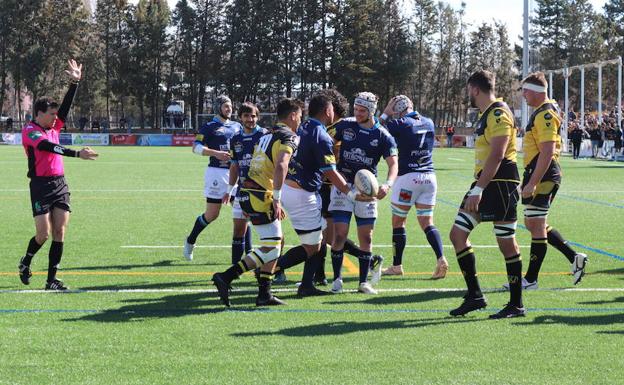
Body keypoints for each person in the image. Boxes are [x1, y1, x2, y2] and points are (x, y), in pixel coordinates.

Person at [278, 90, 374, 296]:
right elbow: (330, 171)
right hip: (302, 194)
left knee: (319, 237)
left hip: (292, 188)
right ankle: (268, 269)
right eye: (331, 108)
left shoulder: (304, 126)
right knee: (312, 244)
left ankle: (307, 284)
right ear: (327, 110)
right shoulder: (321, 135)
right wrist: (351, 193)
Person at [212, 98, 303, 307]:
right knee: (272, 248)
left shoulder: (268, 135)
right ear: (292, 116)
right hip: (261, 195)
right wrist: (277, 198)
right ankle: (226, 277)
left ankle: (264, 293)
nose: (300, 120)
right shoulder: (289, 136)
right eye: (299, 115)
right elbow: (281, 165)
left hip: (250, 192)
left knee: (274, 243)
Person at [449, 70, 525, 319]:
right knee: (457, 234)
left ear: (474, 89)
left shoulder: (499, 112)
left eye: (468, 90)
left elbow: (498, 153)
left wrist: (479, 189)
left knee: (506, 242)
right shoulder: (486, 114)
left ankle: (516, 304)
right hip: (486, 181)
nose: (468, 94)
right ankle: (475, 295)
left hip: (501, 182)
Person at [18, 59, 98, 290]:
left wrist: (75, 82)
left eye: (55, 114)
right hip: (40, 186)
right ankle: (26, 261)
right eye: (51, 114)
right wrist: (76, 154)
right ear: (39, 113)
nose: (56, 118)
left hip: (59, 183)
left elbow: (65, 107)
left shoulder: (53, 125)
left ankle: (51, 280)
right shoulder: (30, 131)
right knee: (43, 234)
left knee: (60, 230)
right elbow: (47, 147)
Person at [505, 72, 588, 292]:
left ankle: (531, 279)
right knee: (534, 223)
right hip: (539, 173)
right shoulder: (543, 112)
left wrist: (533, 181)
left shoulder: (545, 114)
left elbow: (548, 151)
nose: (523, 95)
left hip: (544, 175)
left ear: (535, 91)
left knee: (536, 226)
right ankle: (574, 257)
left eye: (525, 91)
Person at [328, 92, 398, 295]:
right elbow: (325, 138)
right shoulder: (345, 126)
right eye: (356, 109)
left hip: (368, 191)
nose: (357, 114)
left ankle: (363, 282)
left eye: (362, 110)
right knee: (339, 234)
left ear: (371, 111)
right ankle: (337, 279)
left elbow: (393, 164)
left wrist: (388, 184)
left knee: (366, 238)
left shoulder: (382, 135)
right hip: (343, 186)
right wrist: (332, 157)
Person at [379, 95, 449, 279]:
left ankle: (397, 265)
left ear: (398, 110)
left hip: (408, 177)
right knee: (427, 223)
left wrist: (387, 112)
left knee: (398, 222)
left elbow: (378, 127)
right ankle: (441, 258)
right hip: (429, 177)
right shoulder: (429, 122)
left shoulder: (401, 123)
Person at [183, 96, 241, 261]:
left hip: (236, 173)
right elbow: (195, 148)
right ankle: (190, 240)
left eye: (230, 106)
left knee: (242, 213)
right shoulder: (209, 127)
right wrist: (215, 153)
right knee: (212, 215)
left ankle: (246, 253)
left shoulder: (237, 126)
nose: (229, 109)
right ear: (218, 108)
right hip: (216, 173)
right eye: (225, 106)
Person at [222, 102, 264, 266]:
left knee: (271, 234)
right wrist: (229, 190)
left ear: (257, 117)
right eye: (246, 116)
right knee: (238, 231)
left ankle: (278, 270)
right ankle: (233, 271)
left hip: (262, 192)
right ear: (240, 118)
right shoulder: (235, 139)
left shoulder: (264, 136)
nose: (250, 119)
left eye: (253, 116)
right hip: (242, 192)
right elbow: (234, 166)